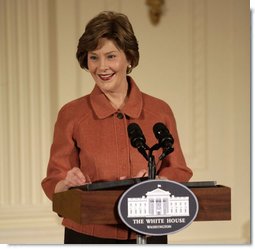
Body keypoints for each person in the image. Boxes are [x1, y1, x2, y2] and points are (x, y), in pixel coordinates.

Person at [41, 11, 193, 244]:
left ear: (129, 58)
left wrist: (156, 182)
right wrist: (66, 183)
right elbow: (54, 180)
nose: (102, 67)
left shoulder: (159, 111)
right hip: (88, 234)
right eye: (94, 57)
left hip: (148, 230)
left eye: (111, 56)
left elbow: (179, 170)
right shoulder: (71, 114)